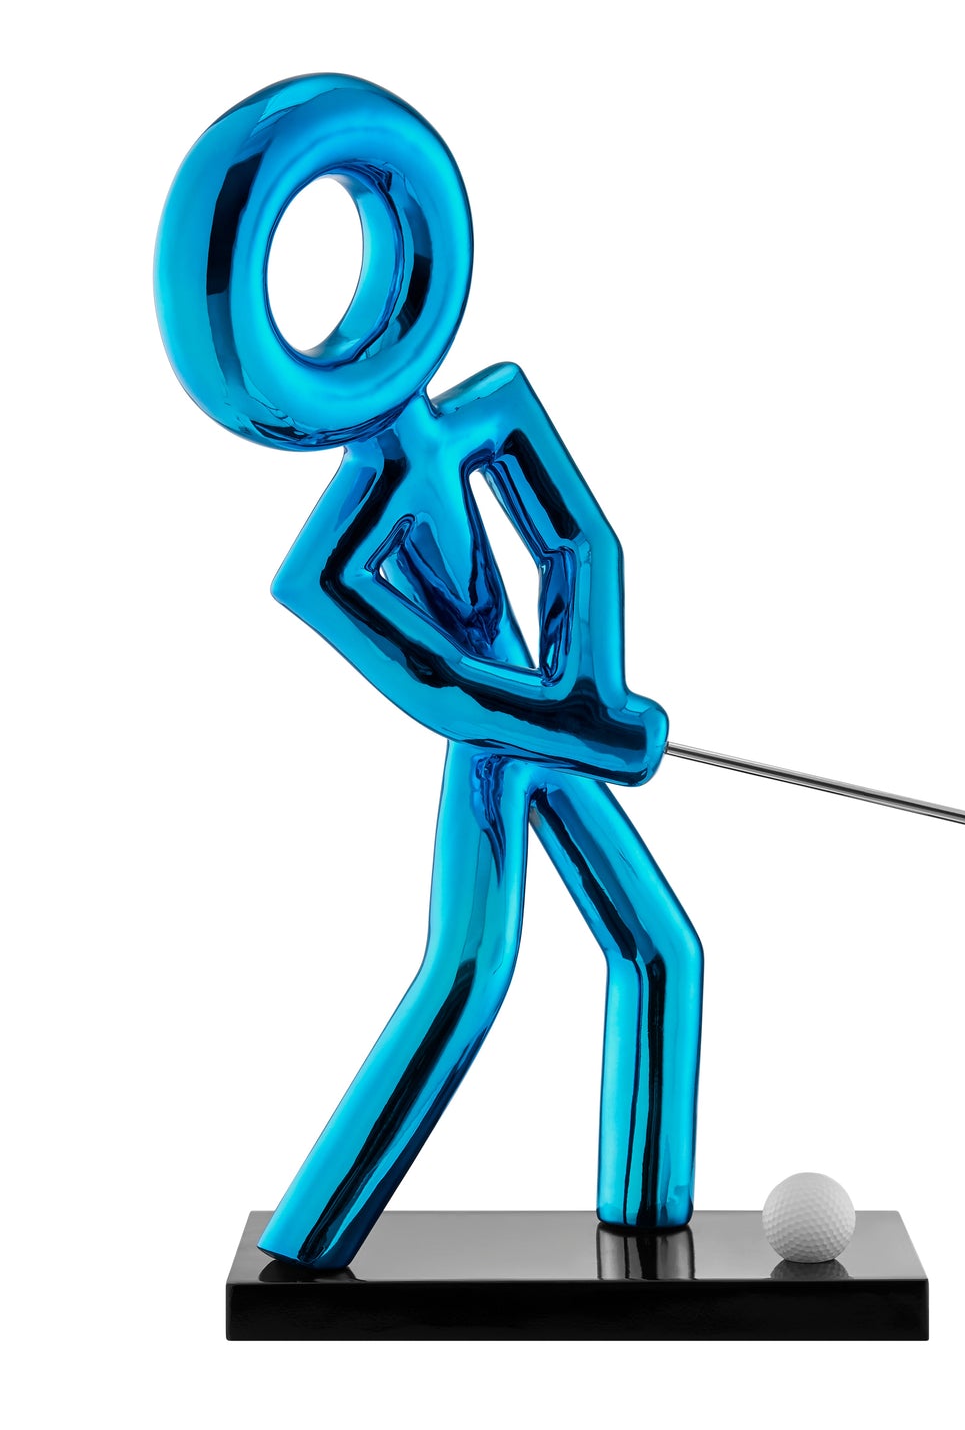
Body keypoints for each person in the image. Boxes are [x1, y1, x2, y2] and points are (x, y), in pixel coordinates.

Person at [155, 74, 703, 1270]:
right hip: (499, 751)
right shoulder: (332, 546)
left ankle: (648, 1216)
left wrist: (590, 684)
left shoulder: (490, 409)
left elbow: (581, 544)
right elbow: (431, 684)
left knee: (661, 950)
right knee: (470, 968)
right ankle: (312, 1237)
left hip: (556, 716)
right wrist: (567, 720)